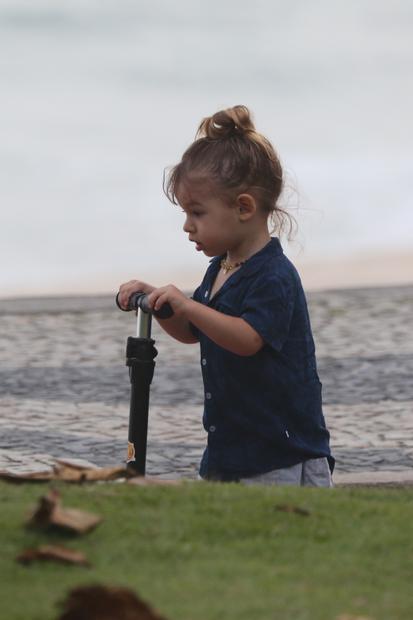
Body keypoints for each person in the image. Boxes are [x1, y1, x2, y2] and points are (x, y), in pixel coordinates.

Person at [118, 105, 334, 486]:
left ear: (243, 208)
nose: (187, 226)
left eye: (197, 213)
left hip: (281, 451)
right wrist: (162, 302)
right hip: (232, 448)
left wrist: (189, 305)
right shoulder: (221, 267)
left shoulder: (273, 275)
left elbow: (247, 338)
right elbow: (193, 330)